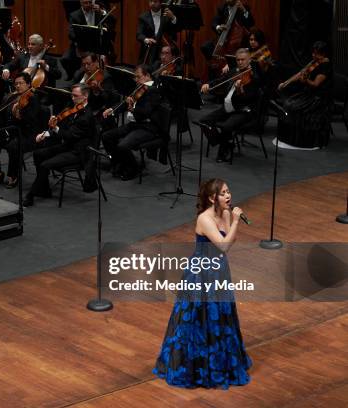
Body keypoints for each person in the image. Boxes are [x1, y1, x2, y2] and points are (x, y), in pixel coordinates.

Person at [153, 178, 251, 389]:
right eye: (223, 193)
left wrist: (231, 221)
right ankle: (196, 366)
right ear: (211, 198)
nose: (228, 196)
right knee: (198, 319)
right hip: (201, 274)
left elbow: (228, 245)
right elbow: (223, 245)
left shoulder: (225, 214)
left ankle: (220, 363)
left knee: (220, 316)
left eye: (228, 191)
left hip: (218, 270)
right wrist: (235, 222)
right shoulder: (204, 219)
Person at [23, 83, 96, 207]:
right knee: (38, 154)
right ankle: (43, 189)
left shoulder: (86, 116)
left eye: (75, 96)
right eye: (72, 96)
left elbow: (69, 135)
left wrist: (55, 128)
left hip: (79, 152)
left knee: (45, 165)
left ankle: (31, 194)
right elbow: (61, 127)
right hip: (68, 146)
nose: (72, 99)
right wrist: (46, 133)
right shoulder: (73, 108)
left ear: (85, 96)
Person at [101, 64, 163, 180]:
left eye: (138, 77)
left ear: (147, 76)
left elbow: (147, 111)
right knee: (106, 136)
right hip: (135, 124)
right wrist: (112, 109)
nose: (136, 80)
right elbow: (126, 102)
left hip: (147, 127)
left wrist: (133, 108)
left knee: (123, 145)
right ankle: (118, 162)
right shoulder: (139, 88)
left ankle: (133, 168)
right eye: (135, 77)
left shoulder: (153, 90)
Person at [200, 48, 261, 163]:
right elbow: (220, 80)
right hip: (228, 107)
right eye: (238, 60)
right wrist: (208, 84)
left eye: (243, 60)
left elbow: (247, 99)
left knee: (226, 126)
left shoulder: (254, 77)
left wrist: (240, 90)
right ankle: (225, 143)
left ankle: (224, 150)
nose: (240, 62)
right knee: (203, 121)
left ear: (249, 60)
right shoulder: (235, 71)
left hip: (243, 110)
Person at [0, 72, 44, 188]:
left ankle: (13, 176)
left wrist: (20, 113)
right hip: (12, 131)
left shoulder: (33, 98)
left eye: (21, 83)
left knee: (13, 146)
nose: (18, 86)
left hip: (28, 134)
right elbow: (1, 115)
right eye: (16, 84)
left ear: (29, 84)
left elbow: (32, 120)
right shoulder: (12, 97)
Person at [277, 41, 333, 149]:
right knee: (288, 103)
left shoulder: (326, 66)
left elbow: (315, 84)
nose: (313, 55)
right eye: (313, 52)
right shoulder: (314, 62)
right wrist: (285, 83)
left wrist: (306, 80)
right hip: (308, 94)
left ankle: (302, 140)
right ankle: (290, 137)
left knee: (292, 107)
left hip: (318, 98)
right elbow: (300, 74)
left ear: (323, 54)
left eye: (316, 53)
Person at [136, 0, 177, 64]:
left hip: (164, 50)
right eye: (150, 1)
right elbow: (139, 35)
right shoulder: (143, 17)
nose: (152, 3)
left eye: (155, 1)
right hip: (149, 51)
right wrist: (146, 39)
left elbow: (176, 29)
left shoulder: (167, 14)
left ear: (160, 2)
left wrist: (173, 17)